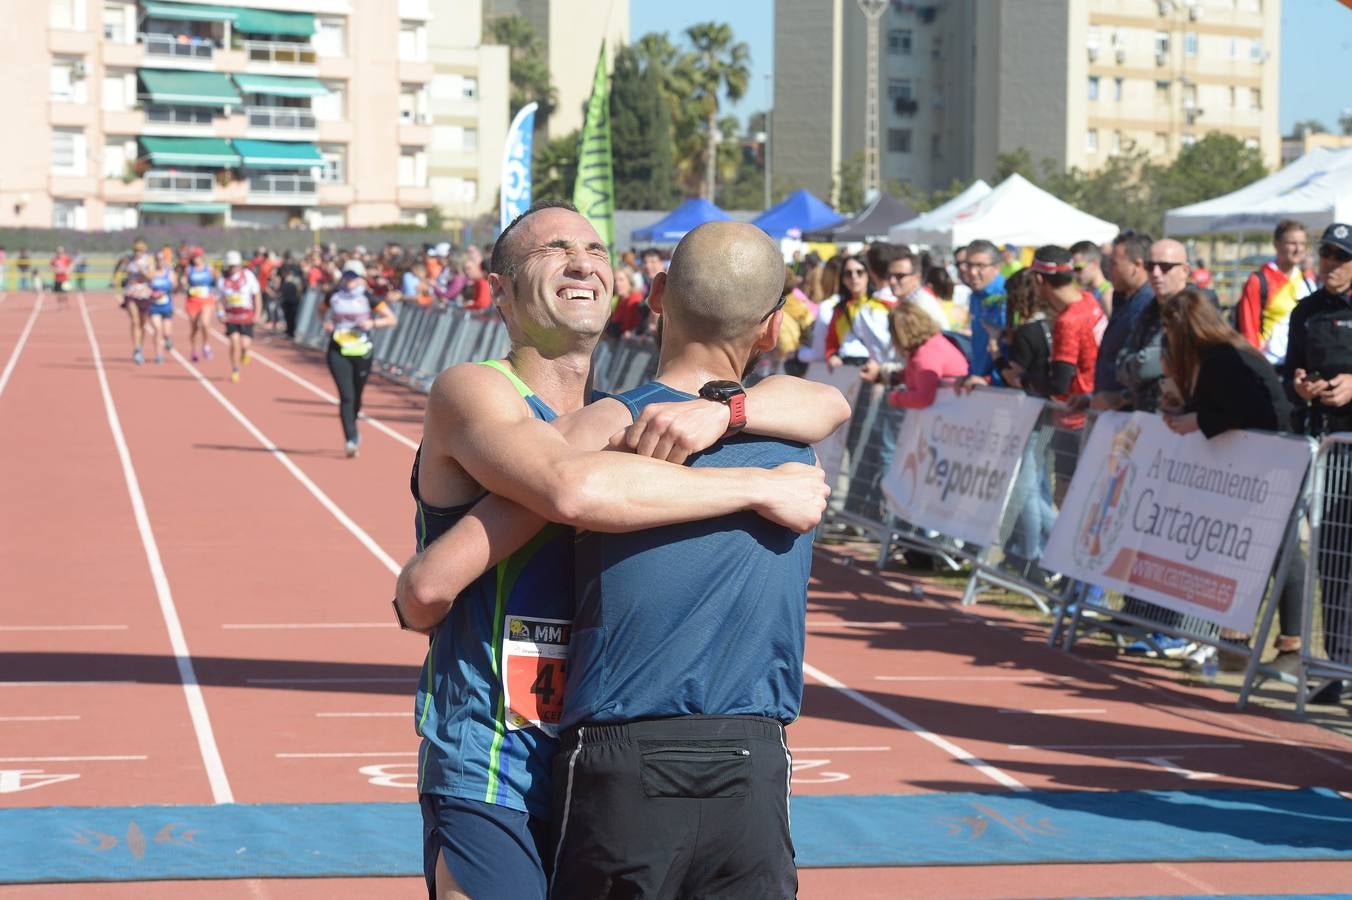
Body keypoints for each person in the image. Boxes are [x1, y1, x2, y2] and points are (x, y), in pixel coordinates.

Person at [393, 203, 842, 900]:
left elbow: (825, 404)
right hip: (496, 763)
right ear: (499, 290)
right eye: (554, 250)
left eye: (596, 248)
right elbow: (565, 492)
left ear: (640, 292)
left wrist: (724, 411)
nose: (581, 260)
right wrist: (760, 486)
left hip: (597, 751)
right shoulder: (478, 390)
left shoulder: (635, 420)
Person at [1161, 287, 1301, 672]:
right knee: (1250, 549)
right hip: (1258, 464)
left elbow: (1249, 410)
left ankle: (1291, 644)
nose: (1168, 336)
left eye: (1170, 327)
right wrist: (1183, 406)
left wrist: (1198, 420)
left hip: (1275, 462)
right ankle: (1234, 640)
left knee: (1282, 551)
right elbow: (1218, 405)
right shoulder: (1217, 357)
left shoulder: (1225, 357)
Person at [1116, 238, 1194, 657]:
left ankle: (1173, 628)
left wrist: (1139, 367)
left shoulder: (1196, 307)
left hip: (1183, 434)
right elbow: (1130, 361)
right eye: (1151, 265)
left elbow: (1151, 363)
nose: (1157, 273)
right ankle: (1141, 614)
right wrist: (1135, 368)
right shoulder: (1147, 308)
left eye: (1167, 266)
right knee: (1142, 522)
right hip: (1148, 426)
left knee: (1173, 532)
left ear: (1186, 269)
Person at [1285, 222, 1352, 706]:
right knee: (1331, 558)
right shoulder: (1306, 311)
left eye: (1341, 256)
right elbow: (1291, 368)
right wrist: (1303, 385)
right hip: (1329, 448)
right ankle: (1336, 665)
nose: (1331, 263)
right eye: (1326, 254)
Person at [321, 260, 398, 457]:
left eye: (353, 277)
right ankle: (351, 439)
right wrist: (326, 322)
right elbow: (321, 310)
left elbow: (391, 318)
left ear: (361, 278)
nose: (349, 281)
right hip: (338, 349)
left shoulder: (368, 298)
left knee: (357, 395)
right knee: (346, 396)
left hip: (362, 351)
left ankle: (352, 424)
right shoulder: (334, 295)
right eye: (347, 276)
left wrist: (372, 322)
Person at [1235, 219, 1317, 369]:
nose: (1298, 249)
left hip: (1299, 368)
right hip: (1269, 366)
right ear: (1276, 244)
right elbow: (1248, 329)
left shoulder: (1307, 282)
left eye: (1302, 244)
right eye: (1292, 243)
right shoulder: (1259, 281)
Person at [1092, 231, 1155, 411]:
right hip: (1110, 416)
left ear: (1137, 265)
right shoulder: (1122, 300)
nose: (1109, 270)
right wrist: (1090, 398)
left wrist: (1122, 398)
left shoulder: (1149, 306)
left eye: (1114, 264)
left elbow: (1152, 368)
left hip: (1132, 420)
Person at [878, 301, 968, 408]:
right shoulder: (934, 342)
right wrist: (900, 376)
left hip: (953, 409)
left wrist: (894, 398)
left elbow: (924, 398)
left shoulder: (925, 355)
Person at [963, 239, 1009, 384]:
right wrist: (970, 374)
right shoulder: (975, 296)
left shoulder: (1009, 297)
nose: (972, 272)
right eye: (969, 265)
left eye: (980, 266)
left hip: (1004, 389)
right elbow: (979, 345)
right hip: (979, 385)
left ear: (997, 267)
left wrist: (990, 379)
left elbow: (1012, 349)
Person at [217, 250, 262, 384]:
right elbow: (219, 299)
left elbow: (257, 295)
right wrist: (220, 314)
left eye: (235, 265)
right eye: (231, 266)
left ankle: (245, 352)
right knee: (234, 342)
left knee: (244, 344)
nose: (233, 268)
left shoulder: (248, 276)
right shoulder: (222, 280)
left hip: (246, 315)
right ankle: (235, 369)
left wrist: (257, 313)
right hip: (231, 316)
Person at [886, 246, 950, 330]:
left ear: (917, 277)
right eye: (889, 275)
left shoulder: (922, 305)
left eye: (900, 276)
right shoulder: (907, 302)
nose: (892, 281)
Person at [120, 240, 156, 365]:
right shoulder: (129, 259)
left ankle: (140, 346)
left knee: (142, 323)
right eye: (136, 250)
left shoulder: (149, 260)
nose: (138, 253)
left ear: (144, 251)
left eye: (140, 250)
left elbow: (151, 276)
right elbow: (123, 270)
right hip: (131, 293)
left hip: (145, 293)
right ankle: (136, 349)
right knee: (135, 321)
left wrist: (142, 270)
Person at [183, 251, 217, 363]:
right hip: (192, 300)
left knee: (205, 323)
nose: (196, 259)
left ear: (202, 257)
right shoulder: (189, 269)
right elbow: (184, 283)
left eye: (198, 257)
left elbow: (216, 281)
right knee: (194, 328)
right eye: (194, 257)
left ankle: (206, 345)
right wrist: (184, 284)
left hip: (206, 299)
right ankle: (194, 350)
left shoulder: (209, 268)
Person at [146, 254, 177, 364]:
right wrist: (152, 293)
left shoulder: (169, 273)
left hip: (166, 306)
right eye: (158, 259)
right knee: (157, 329)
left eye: (162, 259)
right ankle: (158, 355)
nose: (160, 262)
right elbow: (146, 286)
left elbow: (175, 286)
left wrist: (164, 292)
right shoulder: (151, 273)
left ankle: (168, 340)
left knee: (166, 333)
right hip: (154, 306)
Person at [1070, 239, 1113, 315]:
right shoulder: (1084, 293)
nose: (1074, 274)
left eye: (1078, 268)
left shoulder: (1107, 295)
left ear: (1095, 263)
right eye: (1072, 269)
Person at [276, 250, 306, 338]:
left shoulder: (295, 275)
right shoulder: (285, 276)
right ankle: (289, 331)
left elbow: (300, 287)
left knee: (293, 316)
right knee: (287, 316)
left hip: (294, 299)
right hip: (286, 299)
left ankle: (292, 332)